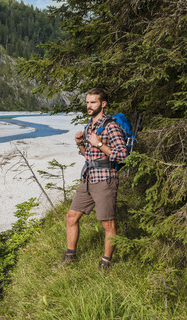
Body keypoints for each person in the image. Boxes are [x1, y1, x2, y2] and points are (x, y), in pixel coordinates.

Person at [62, 88, 128, 269]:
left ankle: (105, 263)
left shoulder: (111, 126)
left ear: (103, 104)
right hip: (89, 178)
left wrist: (99, 143)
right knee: (71, 217)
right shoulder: (89, 125)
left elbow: (123, 155)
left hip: (105, 180)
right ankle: (70, 257)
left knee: (108, 223)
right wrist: (81, 144)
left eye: (93, 102)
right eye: (87, 102)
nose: (89, 106)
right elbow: (88, 156)